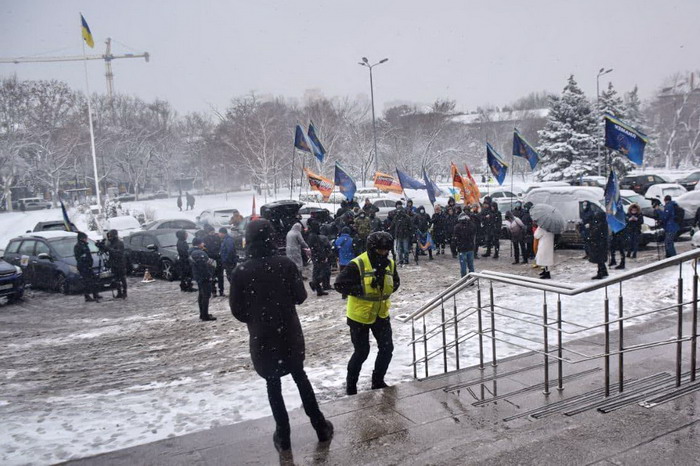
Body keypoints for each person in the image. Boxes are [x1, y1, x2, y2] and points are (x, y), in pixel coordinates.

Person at [230, 219, 333, 452]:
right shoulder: (285, 264)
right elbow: (301, 296)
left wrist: (258, 317)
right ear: (271, 238)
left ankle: (283, 434)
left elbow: (237, 310)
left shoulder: (241, 271)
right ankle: (320, 426)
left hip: (262, 336)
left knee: (272, 384)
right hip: (288, 332)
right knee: (300, 377)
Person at [334, 232, 400, 395]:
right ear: (372, 249)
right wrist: (360, 289)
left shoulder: (390, 264)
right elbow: (339, 285)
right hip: (359, 316)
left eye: (386, 250)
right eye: (380, 250)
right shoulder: (357, 264)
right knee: (362, 352)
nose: (384, 253)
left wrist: (387, 286)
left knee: (387, 348)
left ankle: (378, 381)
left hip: (381, 314)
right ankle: (351, 387)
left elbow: (396, 281)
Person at [190, 237, 216, 321]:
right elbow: (204, 266)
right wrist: (209, 276)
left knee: (201, 294)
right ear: (199, 243)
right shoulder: (200, 253)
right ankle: (205, 315)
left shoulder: (191, 252)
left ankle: (202, 313)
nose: (203, 244)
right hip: (204, 277)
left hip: (198, 276)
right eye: (202, 243)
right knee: (205, 295)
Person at [74, 231, 102, 302]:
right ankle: (87, 296)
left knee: (93, 280)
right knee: (87, 281)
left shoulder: (85, 245)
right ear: (82, 238)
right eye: (85, 238)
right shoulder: (78, 246)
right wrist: (85, 261)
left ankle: (95, 294)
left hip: (88, 265)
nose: (86, 239)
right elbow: (79, 257)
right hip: (83, 266)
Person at [104, 229, 127, 299]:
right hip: (114, 264)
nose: (109, 237)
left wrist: (110, 249)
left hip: (120, 264)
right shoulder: (111, 243)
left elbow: (119, 253)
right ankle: (119, 292)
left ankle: (124, 292)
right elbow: (110, 253)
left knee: (122, 278)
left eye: (111, 236)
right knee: (116, 279)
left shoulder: (119, 243)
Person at [586, 210, 609, 279]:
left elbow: (595, 233)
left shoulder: (600, 224)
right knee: (600, 259)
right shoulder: (602, 223)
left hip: (599, 244)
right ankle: (604, 271)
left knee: (599, 259)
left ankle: (601, 272)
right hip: (600, 244)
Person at [453, 213, 476, 277]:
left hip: (462, 249)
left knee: (463, 266)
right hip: (470, 247)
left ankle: (464, 280)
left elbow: (455, 238)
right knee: (471, 265)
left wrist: (455, 248)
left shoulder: (457, 227)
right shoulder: (472, 225)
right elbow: (474, 234)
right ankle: (472, 280)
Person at [204, 225, 225, 297]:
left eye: (213, 231)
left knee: (220, 276)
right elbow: (205, 249)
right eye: (211, 232)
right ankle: (214, 291)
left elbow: (220, 247)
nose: (212, 233)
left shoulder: (217, 238)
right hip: (211, 259)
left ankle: (221, 290)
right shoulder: (206, 239)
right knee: (212, 276)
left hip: (218, 259)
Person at [391, 202, 413, 266]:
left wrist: (411, 233)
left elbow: (410, 226)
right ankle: (401, 260)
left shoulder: (407, 218)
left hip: (405, 235)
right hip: (398, 235)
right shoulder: (396, 217)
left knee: (406, 249)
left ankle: (406, 259)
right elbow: (392, 225)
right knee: (399, 249)